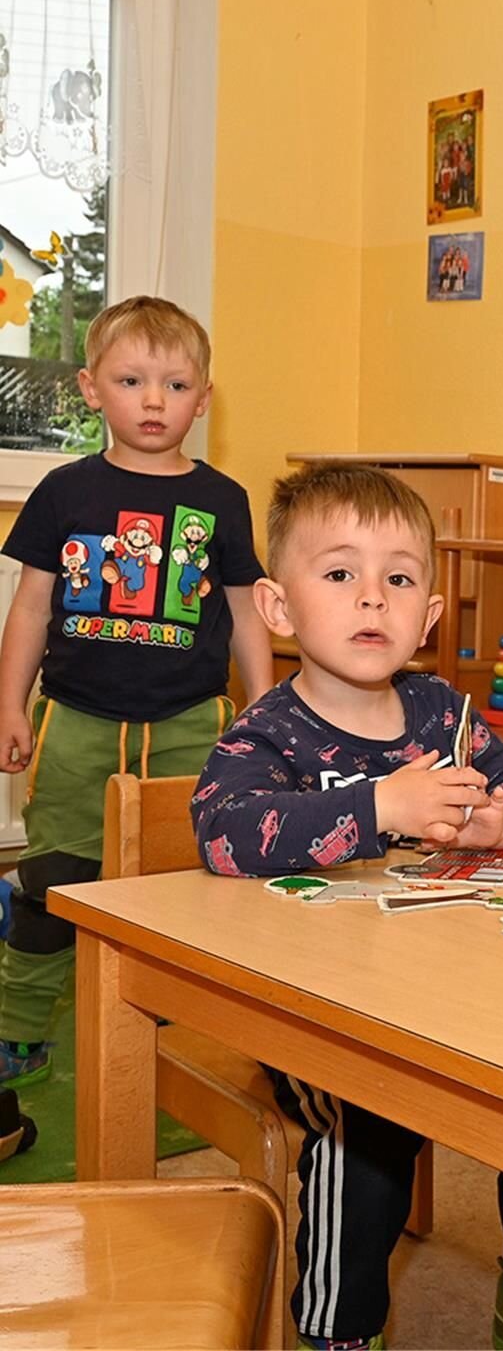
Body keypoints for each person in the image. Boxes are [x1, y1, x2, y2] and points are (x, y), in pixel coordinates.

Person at [192, 464, 503, 1351]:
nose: (373, 599)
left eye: (399, 579)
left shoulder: (443, 713)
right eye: (340, 573)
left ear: (429, 617)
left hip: (446, 993)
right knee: (371, 1117)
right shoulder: (268, 732)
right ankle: (338, 1330)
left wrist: (501, 819)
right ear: (278, 609)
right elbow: (222, 835)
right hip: (314, 1016)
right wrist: (379, 809)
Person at [0, 296, 271, 1088]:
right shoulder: (62, 493)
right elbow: (30, 606)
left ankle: (174, 1024)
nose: (154, 401)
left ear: (205, 397)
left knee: (188, 885)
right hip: (77, 725)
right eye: (131, 380)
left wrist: (265, 710)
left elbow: (245, 606)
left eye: (177, 385)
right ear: (91, 389)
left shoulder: (222, 498)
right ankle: (19, 1030)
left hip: (192, 725)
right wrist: (9, 704)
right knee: (57, 882)